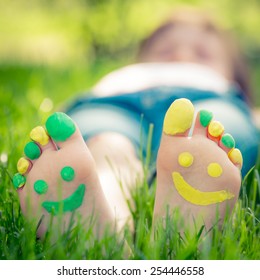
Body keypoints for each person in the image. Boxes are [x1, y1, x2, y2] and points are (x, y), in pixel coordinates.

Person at [12, 8, 259, 239]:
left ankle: (183, 216)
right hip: (117, 104)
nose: (181, 55)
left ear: (235, 76)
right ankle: (107, 224)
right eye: (165, 50)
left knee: (212, 135)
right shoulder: (126, 77)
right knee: (107, 146)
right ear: (140, 58)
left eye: (202, 54)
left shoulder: (222, 89)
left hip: (207, 101)